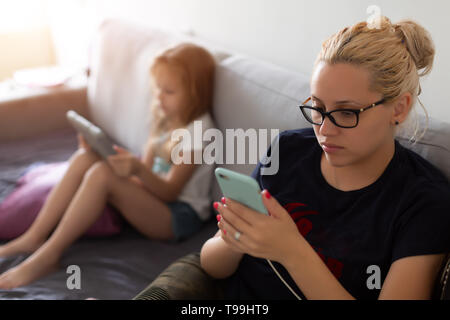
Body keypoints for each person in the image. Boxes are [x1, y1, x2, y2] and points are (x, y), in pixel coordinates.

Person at [200, 16, 450, 300]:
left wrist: (292, 252)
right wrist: (237, 239)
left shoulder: (424, 203)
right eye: (317, 108)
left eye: (346, 113)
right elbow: (211, 265)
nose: (324, 130)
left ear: (399, 108)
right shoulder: (288, 150)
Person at [0, 42, 216, 289]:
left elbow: (169, 191)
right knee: (87, 158)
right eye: (157, 89)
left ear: (196, 92)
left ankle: (49, 254)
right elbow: (145, 169)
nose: (159, 98)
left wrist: (135, 170)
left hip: (178, 215)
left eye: (169, 91)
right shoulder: (164, 115)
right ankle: (34, 236)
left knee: (102, 174)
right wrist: (118, 161)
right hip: (154, 198)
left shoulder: (200, 132)